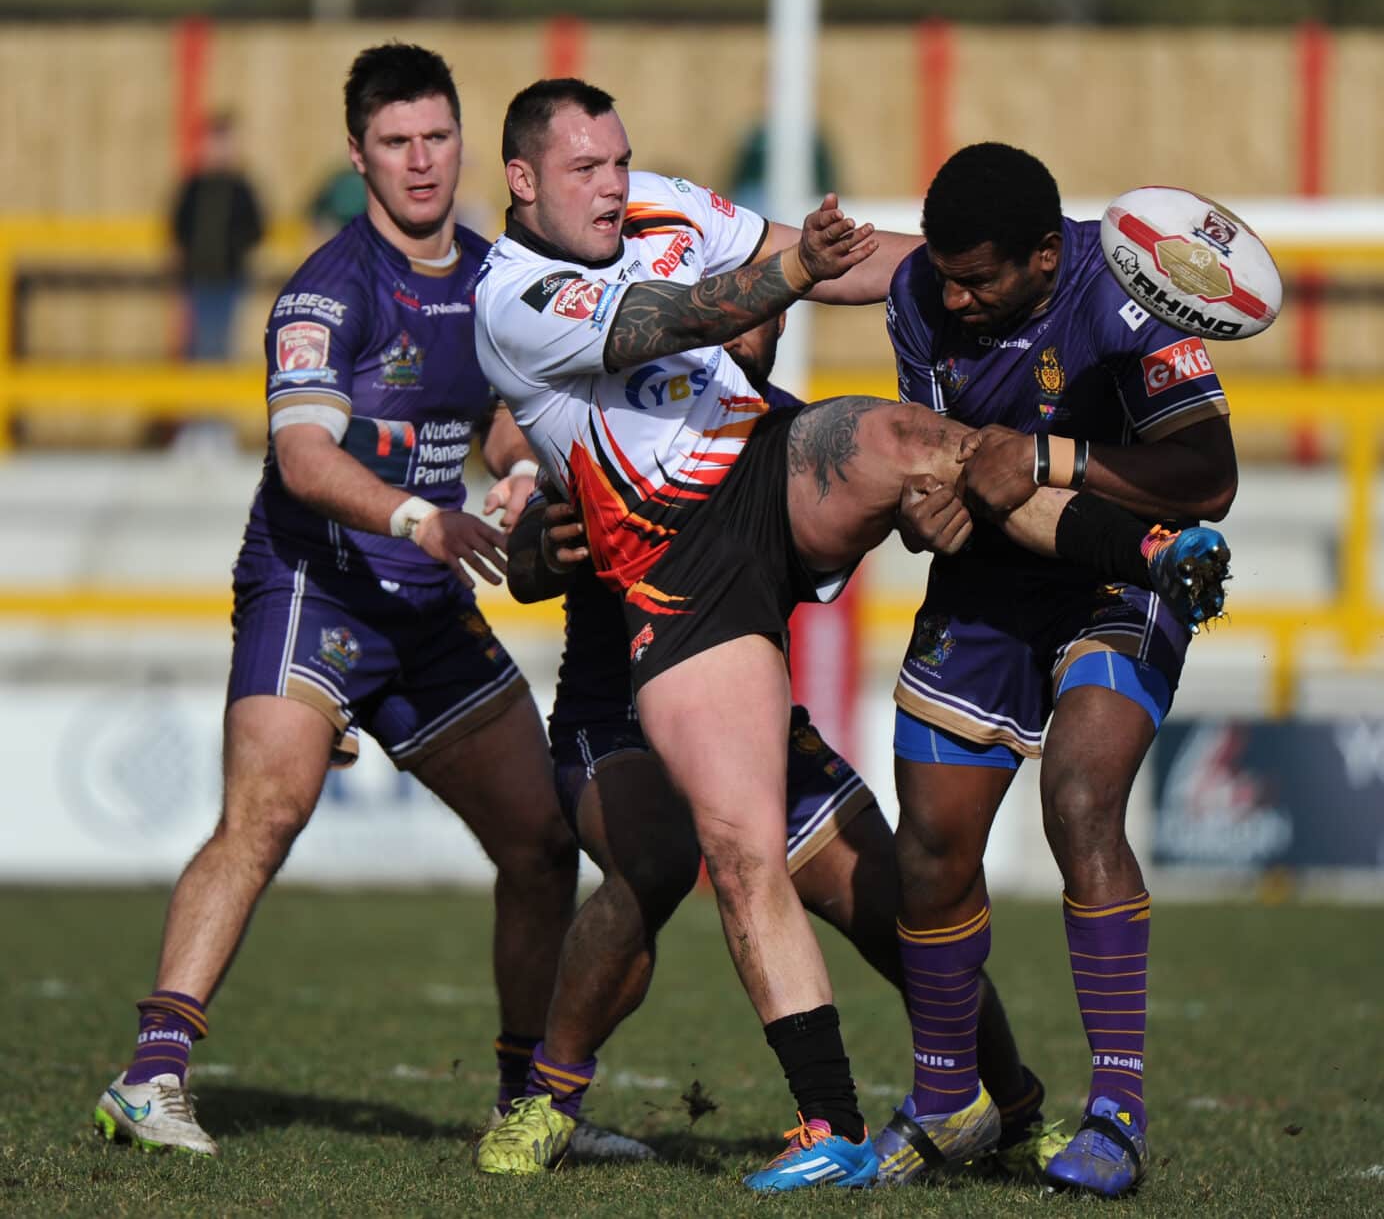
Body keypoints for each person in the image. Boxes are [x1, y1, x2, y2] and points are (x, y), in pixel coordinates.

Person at [473, 78, 1229, 1193]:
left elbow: (855, 262)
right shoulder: (513, 297)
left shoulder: (668, 215)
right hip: (673, 594)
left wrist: (927, 271)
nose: (613, 184)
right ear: (524, 180)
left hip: (764, 481)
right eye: (586, 169)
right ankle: (569, 1096)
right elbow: (674, 319)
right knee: (681, 857)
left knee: (916, 444)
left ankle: (1002, 1102)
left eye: (620, 160)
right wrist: (785, 276)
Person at [93, 43, 578, 1157]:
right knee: (265, 815)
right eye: (397, 143)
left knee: (544, 844)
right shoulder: (327, 289)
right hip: (316, 589)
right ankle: (150, 1076)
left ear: (467, 144)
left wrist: (521, 466)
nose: (421, 162)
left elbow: (506, 420)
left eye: (438, 138)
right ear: (356, 154)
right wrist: (421, 516)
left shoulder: (500, 277)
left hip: (428, 601)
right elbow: (305, 458)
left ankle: (527, 1104)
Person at [475, 314, 1069, 1181]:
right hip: (618, 720)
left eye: (766, 311)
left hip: (752, 729)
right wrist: (535, 546)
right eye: (733, 305)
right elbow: (516, 458)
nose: (749, 328)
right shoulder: (619, 419)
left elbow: (899, 504)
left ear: (785, 322)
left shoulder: (795, 442)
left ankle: (1015, 1113)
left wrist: (931, 519)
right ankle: (547, 1100)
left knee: (907, 913)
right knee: (655, 860)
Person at [872, 142, 1239, 1198]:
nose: (956, 295)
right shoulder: (917, 295)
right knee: (931, 846)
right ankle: (947, 1104)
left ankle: (1115, 1114)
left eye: (979, 277)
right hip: (988, 587)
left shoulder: (1129, 293)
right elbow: (944, 453)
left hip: (1123, 578)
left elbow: (1207, 475)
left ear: (1044, 255)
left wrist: (1047, 457)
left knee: (1079, 799)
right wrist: (927, 500)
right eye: (945, 272)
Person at [171, 111, 265, 361]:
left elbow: (257, 229)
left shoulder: (241, 187)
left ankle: (214, 396)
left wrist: (235, 247)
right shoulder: (194, 185)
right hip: (197, 275)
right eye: (214, 143)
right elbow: (178, 227)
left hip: (230, 274)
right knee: (198, 340)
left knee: (222, 340)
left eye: (225, 143)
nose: (219, 149)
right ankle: (198, 396)